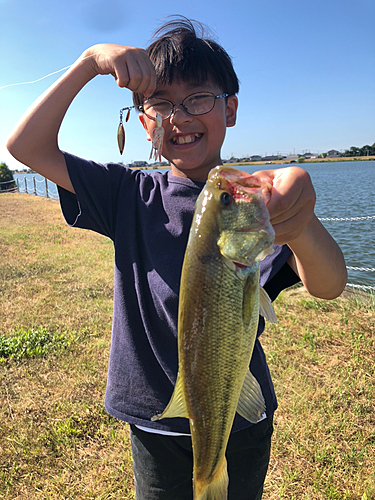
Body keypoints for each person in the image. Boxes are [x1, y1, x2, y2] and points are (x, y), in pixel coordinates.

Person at [6, 17, 347, 500]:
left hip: (238, 417)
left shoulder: (256, 206)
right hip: (153, 418)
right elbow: (24, 147)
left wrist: (300, 226)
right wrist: (88, 63)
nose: (179, 117)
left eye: (198, 99)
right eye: (161, 104)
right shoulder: (128, 193)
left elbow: (329, 284)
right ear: (143, 123)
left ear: (230, 109)